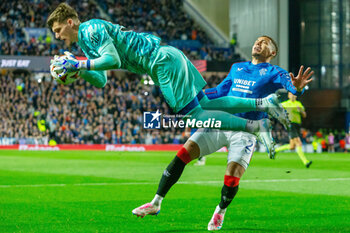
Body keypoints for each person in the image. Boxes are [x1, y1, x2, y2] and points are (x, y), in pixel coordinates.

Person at [47, 3, 289, 155]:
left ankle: (254, 126)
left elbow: (114, 61)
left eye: (58, 30)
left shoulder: (90, 29)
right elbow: (102, 80)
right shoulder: (87, 44)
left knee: (194, 116)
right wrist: (80, 71)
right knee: (205, 102)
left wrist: (78, 62)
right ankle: (263, 104)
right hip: (167, 56)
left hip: (160, 61)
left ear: (70, 22)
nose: (58, 36)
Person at [132, 36, 314, 231]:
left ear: (273, 52)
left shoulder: (274, 71)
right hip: (220, 122)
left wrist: (297, 87)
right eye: (257, 41)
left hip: (246, 130)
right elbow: (219, 91)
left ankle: (220, 211)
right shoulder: (237, 67)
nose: (258, 43)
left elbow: (291, 85)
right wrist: (193, 96)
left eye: (265, 42)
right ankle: (155, 203)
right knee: (183, 154)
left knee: (232, 176)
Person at [275, 92, 312, 168]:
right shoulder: (285, 104)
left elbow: (304, 115)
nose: (293, 96)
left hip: (297, 125)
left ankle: (275, 150)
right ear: (289, 96)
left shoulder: (298, 104)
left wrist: (300, 111)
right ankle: (305, 162)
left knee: (292, 146)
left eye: (294, 95)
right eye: (291, 94)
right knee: (299, 143)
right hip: (290, 125)